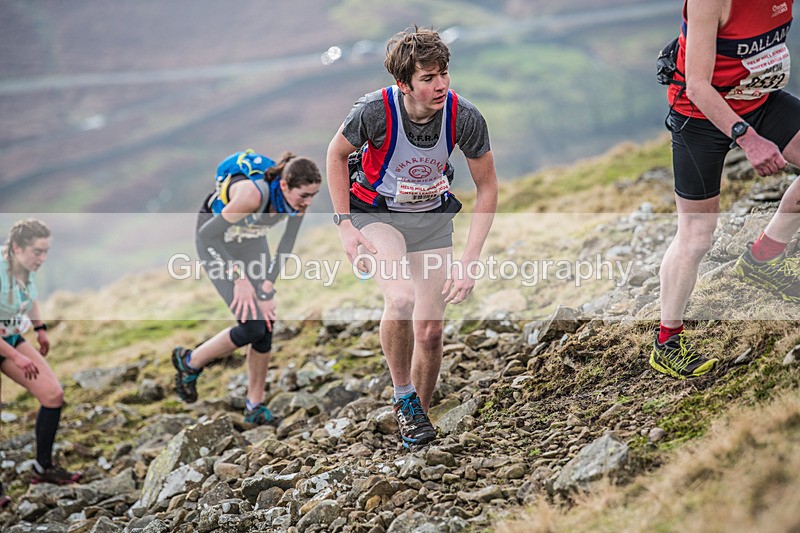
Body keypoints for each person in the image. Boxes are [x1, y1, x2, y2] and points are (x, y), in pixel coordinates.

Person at [326, 27, 498, 449]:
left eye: (444, 74)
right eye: (427, 78)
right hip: (376, 214)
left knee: (431, 332)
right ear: (404, 83)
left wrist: (470, 258)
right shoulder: (374, 111)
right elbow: (335, 154)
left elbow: (488, 187)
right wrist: (345, 225)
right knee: (400, 298)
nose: (440, 85)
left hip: (432, 218)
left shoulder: (465, 117)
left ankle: (415, 419)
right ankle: (403, 396)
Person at [655, 0, 800, 379]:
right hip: (699, 114)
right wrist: (748, 139)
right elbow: (697, 85)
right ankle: (667, 342)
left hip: (760, 100)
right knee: (697, 236)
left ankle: (764, 259)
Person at [172, 149, 321, 425]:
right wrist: (239, 277)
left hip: (251, 240)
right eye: (304, 196)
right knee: (251, 326)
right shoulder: (252, 196)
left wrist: (266, 289)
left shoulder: (296, 201)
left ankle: (255, 406)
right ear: (285, 185)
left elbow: (285, 245)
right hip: (217, 242)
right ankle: (189, 361)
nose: (308, 203)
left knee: (264, 325)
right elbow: (208, 236)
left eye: (313, 196)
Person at [0, 219, 82, 485]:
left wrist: (40, 328)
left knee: (53, 394)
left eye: (46, 251)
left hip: (10, 338)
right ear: (17, 247)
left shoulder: (25, 266)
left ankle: (43, 468)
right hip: (7, 347)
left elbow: (30, 295)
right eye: (38, 251)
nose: (43, 258)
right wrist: (15, 357)